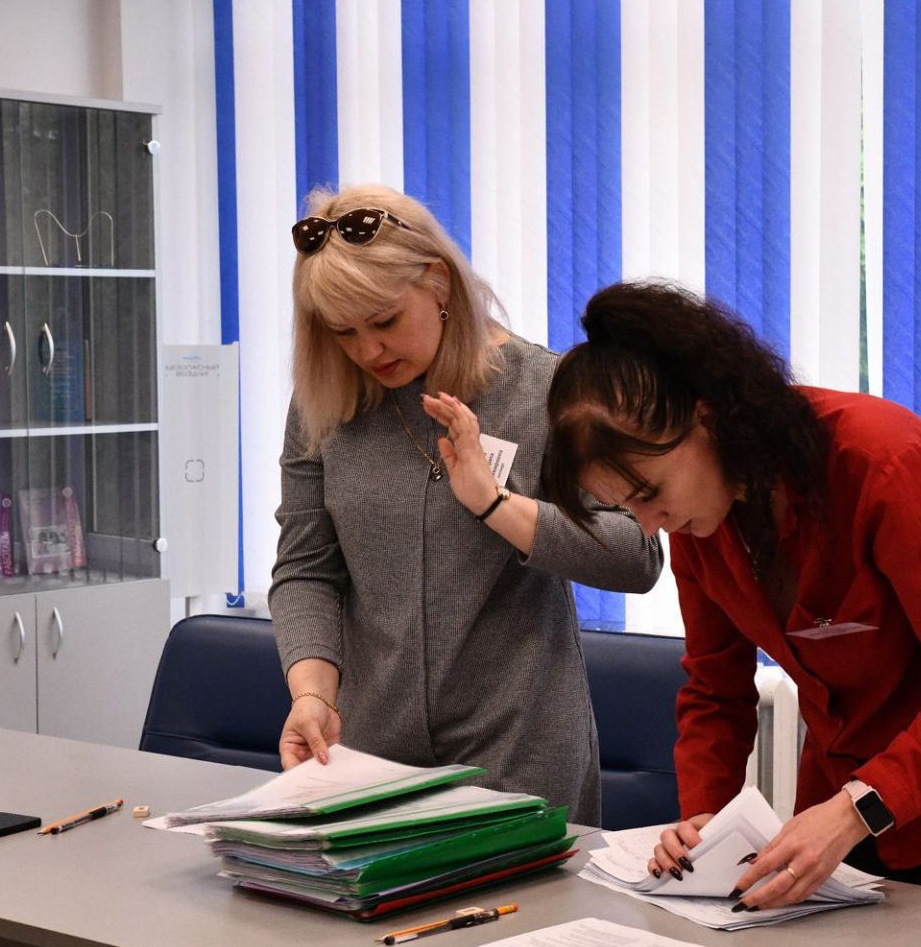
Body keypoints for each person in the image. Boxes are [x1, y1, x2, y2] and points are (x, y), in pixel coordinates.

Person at [543, 281, 921, 910]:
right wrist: (704, 818)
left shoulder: (884, 464)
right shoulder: (701, 523)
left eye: (648, 493)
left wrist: (854, 810)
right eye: (627, 508)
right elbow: (715, 690)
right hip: (860, 769)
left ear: (706, 418)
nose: (649, 526)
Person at [268, 185, 663, 825]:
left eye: (384, 321)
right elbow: (306, 569)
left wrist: (496, 504)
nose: (368, 351)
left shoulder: (544, 389)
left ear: (438, 283)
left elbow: (636, 556)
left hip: (520, 755)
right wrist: (312, 693)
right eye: (343, 332)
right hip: (372, 757)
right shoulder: (325, 405)